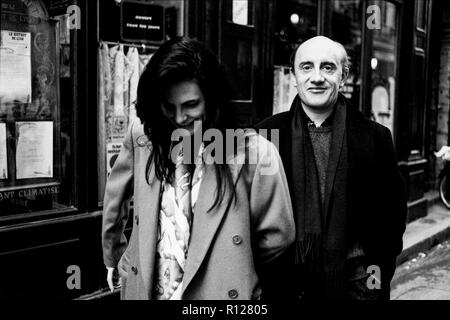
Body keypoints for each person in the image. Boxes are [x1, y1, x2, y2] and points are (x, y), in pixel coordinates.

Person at [101, 37, 295, 300]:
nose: (180, 118)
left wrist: (233, 264)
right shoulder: (143, 135)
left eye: (191, 105)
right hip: (148, 289)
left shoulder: (255, 153)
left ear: (212, 99)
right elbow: (116, 196)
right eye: (170, 106)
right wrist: (115, 254)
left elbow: (277, 237)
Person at [257, 36, 407, 300]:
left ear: (343, 76)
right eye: (306, 67)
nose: (317, 77)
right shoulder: (266, 135)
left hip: (356, 285)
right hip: (285, 286)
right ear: (294, 76)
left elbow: (391, 216)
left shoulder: (375, 137)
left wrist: (376, 275)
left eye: (327, 67)